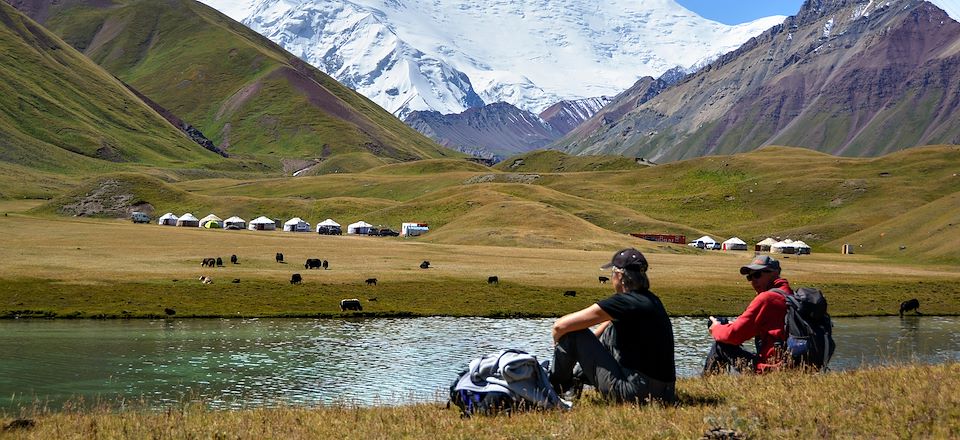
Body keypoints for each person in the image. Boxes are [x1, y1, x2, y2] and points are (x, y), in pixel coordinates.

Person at [549, 248, 676, 404]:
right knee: (609, 330)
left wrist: (561, 345)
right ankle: (576, 378)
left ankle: (554, 390)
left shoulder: (623, 302)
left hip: (636, 394)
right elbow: (603, 331)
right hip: (665, 393)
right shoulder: (652, 300)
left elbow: (559, 327)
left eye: (612, 273)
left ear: (620, 275)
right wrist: (581, 353)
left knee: (572, 334)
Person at [703, 255, 793, 374]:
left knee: (721, 346)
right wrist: (731, 325)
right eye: (750, 277)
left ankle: (707, 385)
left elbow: (734, 335)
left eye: (757, 275)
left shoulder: (767, 299)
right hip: (791, 367)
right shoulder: (790, 296)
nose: (753, 281)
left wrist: (716, 328)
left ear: (774, 273)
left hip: (771, 370)